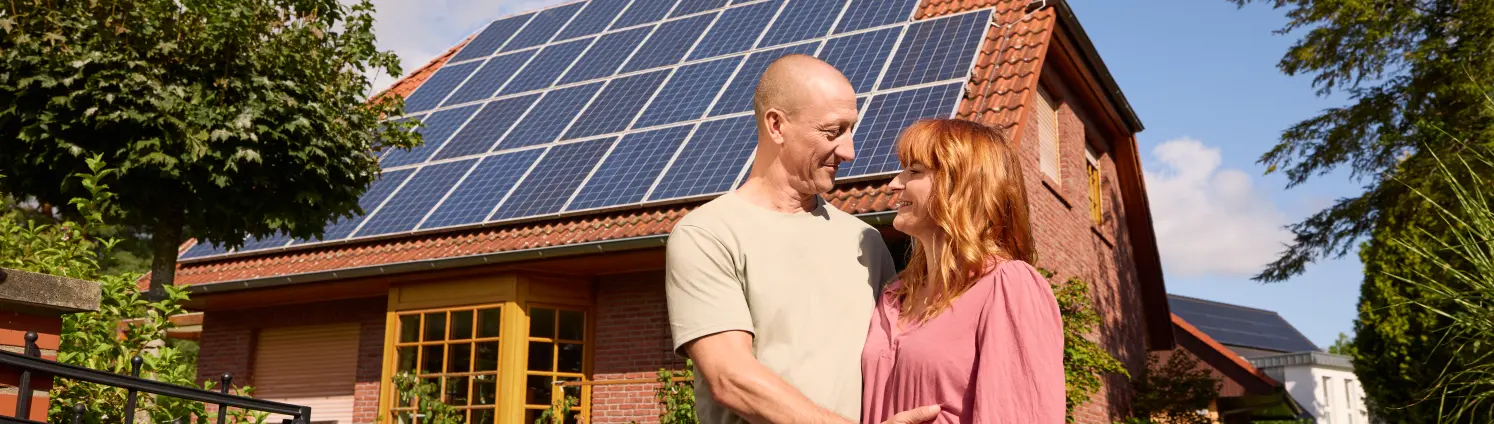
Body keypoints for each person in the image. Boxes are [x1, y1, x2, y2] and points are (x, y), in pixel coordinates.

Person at [664, 54, 940, 424]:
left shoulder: (866, 242)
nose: (850, 151)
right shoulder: (708, 235)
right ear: (777, 125)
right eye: (832, 132)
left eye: (851, 130)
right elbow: (730, 378)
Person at [861, 119, 1066, 424]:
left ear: (962, 186)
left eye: (914, 172)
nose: (893, 184)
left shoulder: (1007, 287)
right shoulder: (893, 294)